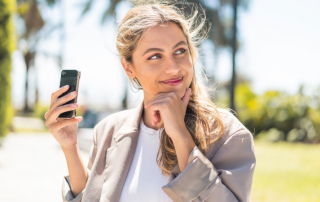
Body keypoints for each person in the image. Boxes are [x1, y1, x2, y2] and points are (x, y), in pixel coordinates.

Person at [44, 2, 256, 202]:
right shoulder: (108, 131)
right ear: (129, 68)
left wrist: (181, 136)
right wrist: (70, 147)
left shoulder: (227, 135)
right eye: (155, 56)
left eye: (180, 51)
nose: (173, 67)